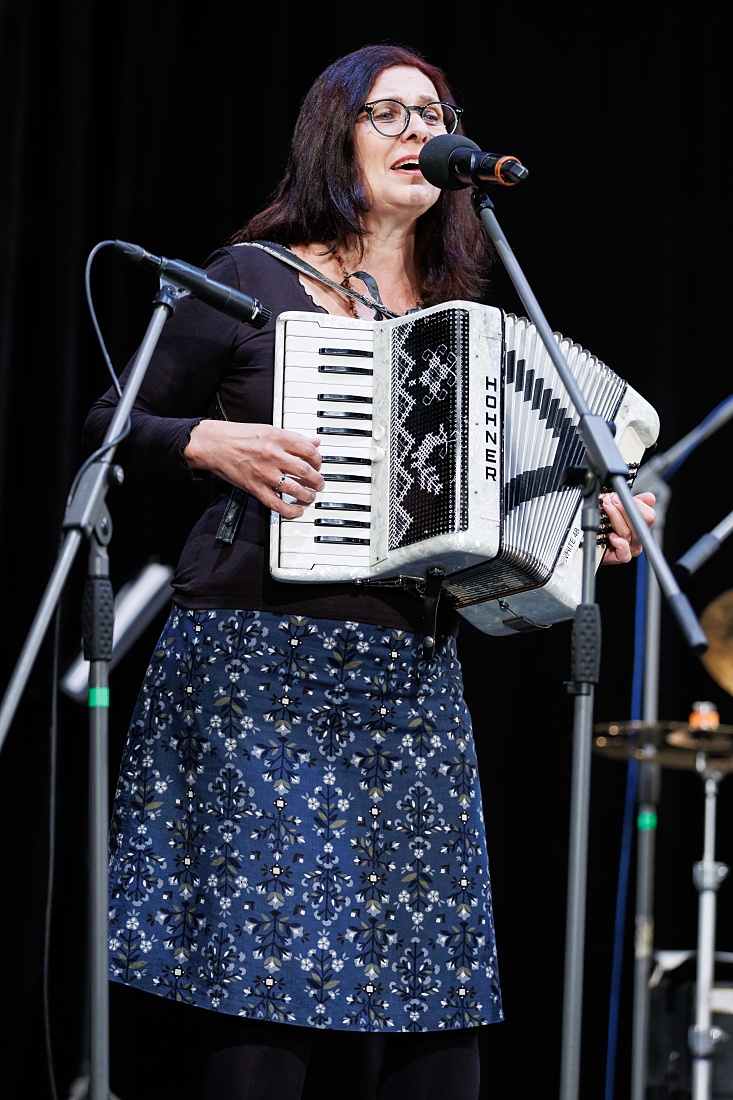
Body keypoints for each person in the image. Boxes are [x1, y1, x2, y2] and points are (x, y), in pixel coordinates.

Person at [82, 41, 656, 1100]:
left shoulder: (461, 328)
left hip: (408, 682)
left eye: (431, 115)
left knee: (433, 1010)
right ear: (332, 136)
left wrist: (594, 512)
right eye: (387, 113)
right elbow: (110, 428)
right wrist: (207, 440)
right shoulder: (251, 280)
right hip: (255, 670)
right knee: (264, 998)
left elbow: (507, 501)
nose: (416, 132)